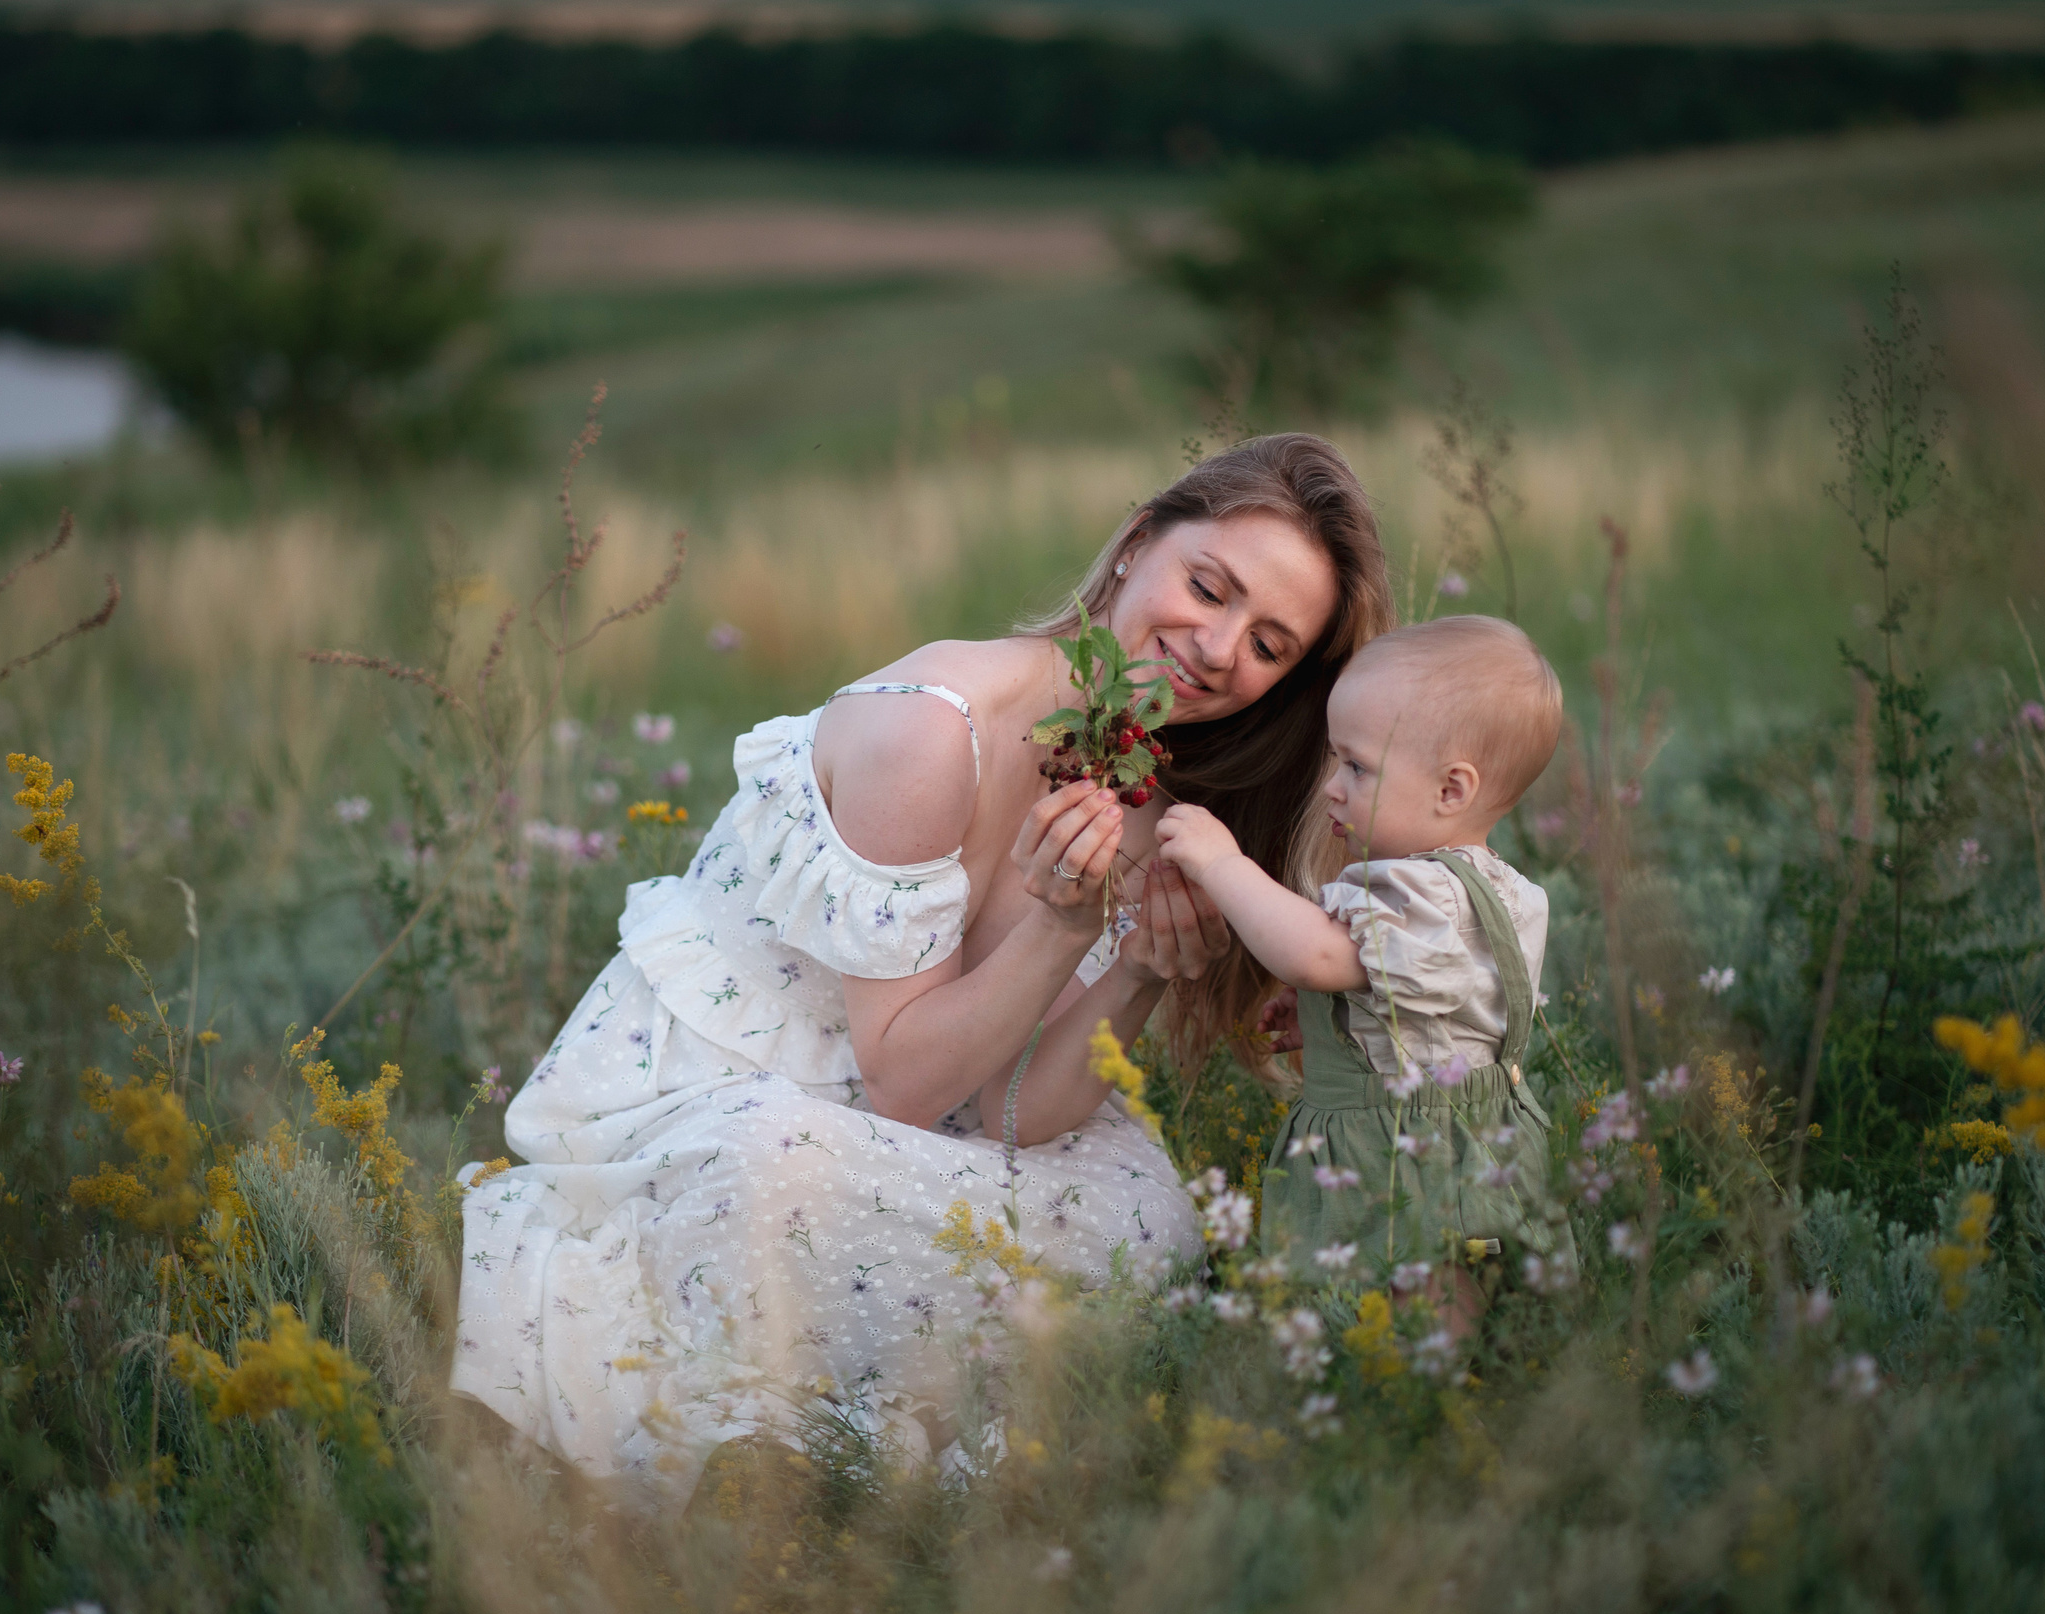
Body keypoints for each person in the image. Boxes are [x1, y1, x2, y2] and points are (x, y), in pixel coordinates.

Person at [452, 434, 1395, 1508]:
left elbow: (1006, 1107)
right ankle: (814, 1440)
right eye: (1208, 587)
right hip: (729, 1097)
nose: (1219, 649)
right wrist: (1060, 927)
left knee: (1149, 1216)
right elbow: (904, 1080)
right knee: (766, 1161)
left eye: (1268, 645)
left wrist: (1138, 968)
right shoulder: (935, 729)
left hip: (906, 1130)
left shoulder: (1145, 803)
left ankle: (855, 1432)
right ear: (1139, 543)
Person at [1153, 614, 1573, 1339]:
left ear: (1451, 789)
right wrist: (1334, 1016)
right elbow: (1436, 1014)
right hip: (1452, 1138)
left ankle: (1423, 1393)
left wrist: (1223, 864)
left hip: (1412, 1150)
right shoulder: (1492, 891)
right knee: (1420, 1300)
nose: (1331, 788)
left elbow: (1314, 954)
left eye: (1356, 767)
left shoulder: (1422, 895)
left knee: (1418, 1302)